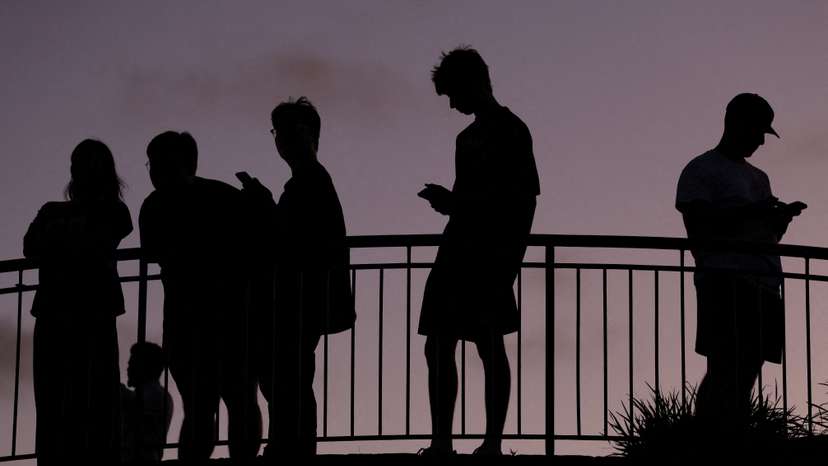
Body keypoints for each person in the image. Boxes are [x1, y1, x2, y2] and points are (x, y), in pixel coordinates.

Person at [417, 47, 540, 456]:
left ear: (473, 82)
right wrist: (452, 204)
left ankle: (491, 442)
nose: (452, 104)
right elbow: (484, 199)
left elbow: (522, 200)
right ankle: (443, 441)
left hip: (490, 254)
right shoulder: (467, 138)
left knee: (487, 344)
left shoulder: (511, 129)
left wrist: (509, 259)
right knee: (440, 344)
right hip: (459, 249)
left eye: (454, 93)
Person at [675, 93, 805, 441]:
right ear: (735, 124)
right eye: (758, 130)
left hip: (764, 282)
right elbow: (699, 226)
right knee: (724, 364)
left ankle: (733, 435)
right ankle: (709, 438)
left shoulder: (759, 177)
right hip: (723, 279)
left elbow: (767, 234)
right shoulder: (701, 168)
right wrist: (752, 213)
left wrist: (779, 221)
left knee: (749, 366)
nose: (761, 140)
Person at [240, 97, 355, 458]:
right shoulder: (308, 180)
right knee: (287, 375)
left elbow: (292, 237)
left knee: (287, 376)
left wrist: (263, 203)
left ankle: (291, 448)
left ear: (310, 134)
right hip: (302, 296)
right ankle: (290, 446)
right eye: (278, 131)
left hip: (300, 296)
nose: (282, 138)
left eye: (290, 129)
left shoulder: (310, 180)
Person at [139, 131, 261, 461]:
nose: (154, 170)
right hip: (231, 315)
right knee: (238, 401)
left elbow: (152, 253)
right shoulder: (225, 195)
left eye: (157, 163)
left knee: (200, 408)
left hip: (189, 320)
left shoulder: (154, 205)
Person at [24, 139, 132, 466]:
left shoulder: (111, 211)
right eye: (77, 162)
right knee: (57, 395)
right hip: (64, 312)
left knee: (91, 395)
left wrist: (60, 242)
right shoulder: (54, 210)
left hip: (89, 312)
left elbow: (94, 240)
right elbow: (31, 246)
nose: (79, 169)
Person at [120, 341, 173, 464]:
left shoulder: (155, 394)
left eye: (132, 364)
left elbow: (135, 408)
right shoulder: (154, 394)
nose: (128, 368)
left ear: (144, 367)